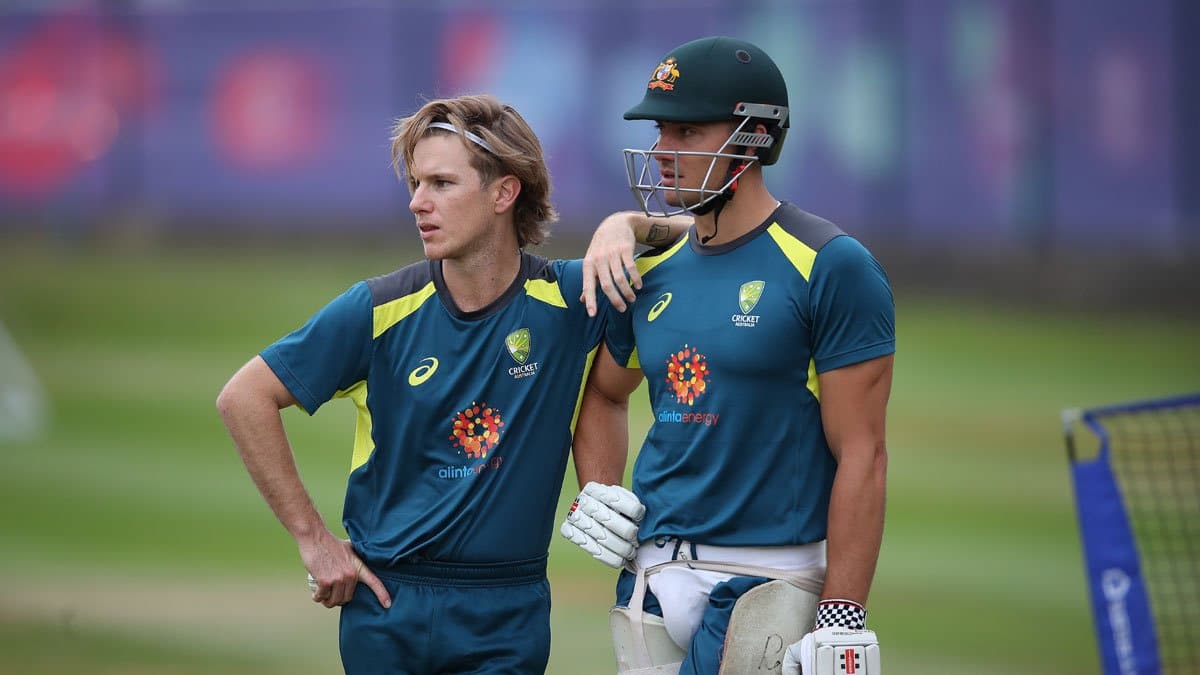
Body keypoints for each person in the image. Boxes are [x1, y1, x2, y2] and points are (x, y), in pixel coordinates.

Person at [216, 94, 688, 674]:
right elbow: (244, 397)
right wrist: (313, 540)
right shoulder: (378, 309)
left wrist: (629, 223)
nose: (418, 203)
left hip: (506, 611)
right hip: (387, 606)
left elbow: (718, 239)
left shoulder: (573, 299)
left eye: (441, 183)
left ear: (503, 193)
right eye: (416, 183)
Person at [560, 36, 894, 675]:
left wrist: (843, 614)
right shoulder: (650, 266)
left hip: (766, 580)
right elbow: (604, 392)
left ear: (752, 139)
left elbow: (864, 452)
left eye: (685, 130)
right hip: (649, 580)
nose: (661, 151)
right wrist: (598, 488)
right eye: (660, 130)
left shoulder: (830, 265)